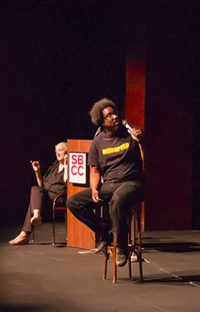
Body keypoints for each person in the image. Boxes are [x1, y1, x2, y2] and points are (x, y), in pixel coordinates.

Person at [67, 99, 143, 266]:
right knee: (74, 202)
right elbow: (94, 170)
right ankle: (107, 232)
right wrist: (94, 189)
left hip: (131, 182)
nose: (114, 116)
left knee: (117, 200)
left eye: (114, 113)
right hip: (109, 184)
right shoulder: (97, 142)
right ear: (101, 121)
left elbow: (144, 148)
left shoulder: (128, 133)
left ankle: (120, 247)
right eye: (109, 115)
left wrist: (138, 139)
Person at [8, 142, 69, 245]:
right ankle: (36, 216)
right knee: (35, 189)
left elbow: (68, 183)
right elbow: (42, 184)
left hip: (58, 198)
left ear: (68, 152)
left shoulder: (70, 167)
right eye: (56, 151)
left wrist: (67, 166)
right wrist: (37, 171)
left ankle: (25, 233)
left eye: (61, 150)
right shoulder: (55, 166)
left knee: (33, 203)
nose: (58, 153)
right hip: (46, 197)